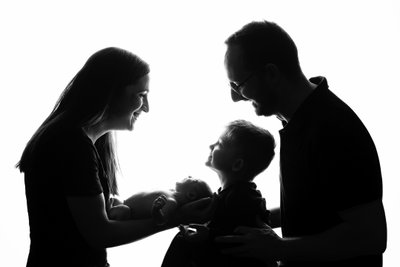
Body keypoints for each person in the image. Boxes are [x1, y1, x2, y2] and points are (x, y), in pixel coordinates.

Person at [16, 47, 213, 267]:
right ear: (112, 92)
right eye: (141, 95)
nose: (146, 108)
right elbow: (99, 234)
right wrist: (177, 219)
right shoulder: (71, 144)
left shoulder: (79, 140)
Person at [215, 21, 387, 267]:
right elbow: (317, 213)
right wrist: (250, 219)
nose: (234, 97)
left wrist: (278, 248)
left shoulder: (333, 129)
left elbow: (371, 237)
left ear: (271, 73)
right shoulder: (299, 121)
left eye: (239, 85)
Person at [162, 119, 277, 267]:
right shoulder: (229, 193)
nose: (211, 146)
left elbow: (241, 233)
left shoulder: (244, 196)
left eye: (219, 144)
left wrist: (208, 234)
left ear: (237, 164)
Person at [108, 176, 213, 225]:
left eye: (194, 180)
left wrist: (156, 210)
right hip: (122, 203)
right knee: (111, 198)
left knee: (121, 210)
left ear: (191, 194)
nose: (189, 176)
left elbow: (161, 221)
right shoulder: (171, 192)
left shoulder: (172, 202)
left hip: (126, 213)